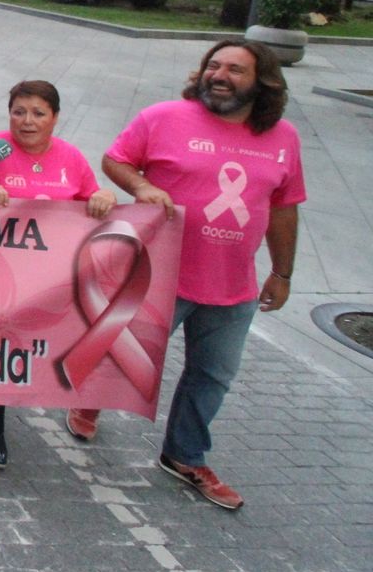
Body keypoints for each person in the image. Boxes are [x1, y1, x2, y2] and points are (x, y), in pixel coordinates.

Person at [83, 40, 305, 511]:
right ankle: (90, 401)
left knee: (213, 377)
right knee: (124, 354)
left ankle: (184, 454)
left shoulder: (283, 138)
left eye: (235, 70)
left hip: (233, 285)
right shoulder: (164, 117)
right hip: (159, 275)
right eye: (213, 66)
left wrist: (282, 272)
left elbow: (285, 208)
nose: (219, 75)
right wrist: (142, 186)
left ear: (262, 82)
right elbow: (116, 159)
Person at [0, 80, 117, 469]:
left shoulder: (71, 158)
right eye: (18, 111)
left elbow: (90, 200)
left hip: (48, 282)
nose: (27, 121)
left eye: (38, 113)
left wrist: (104, 197)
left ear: (55, 117)